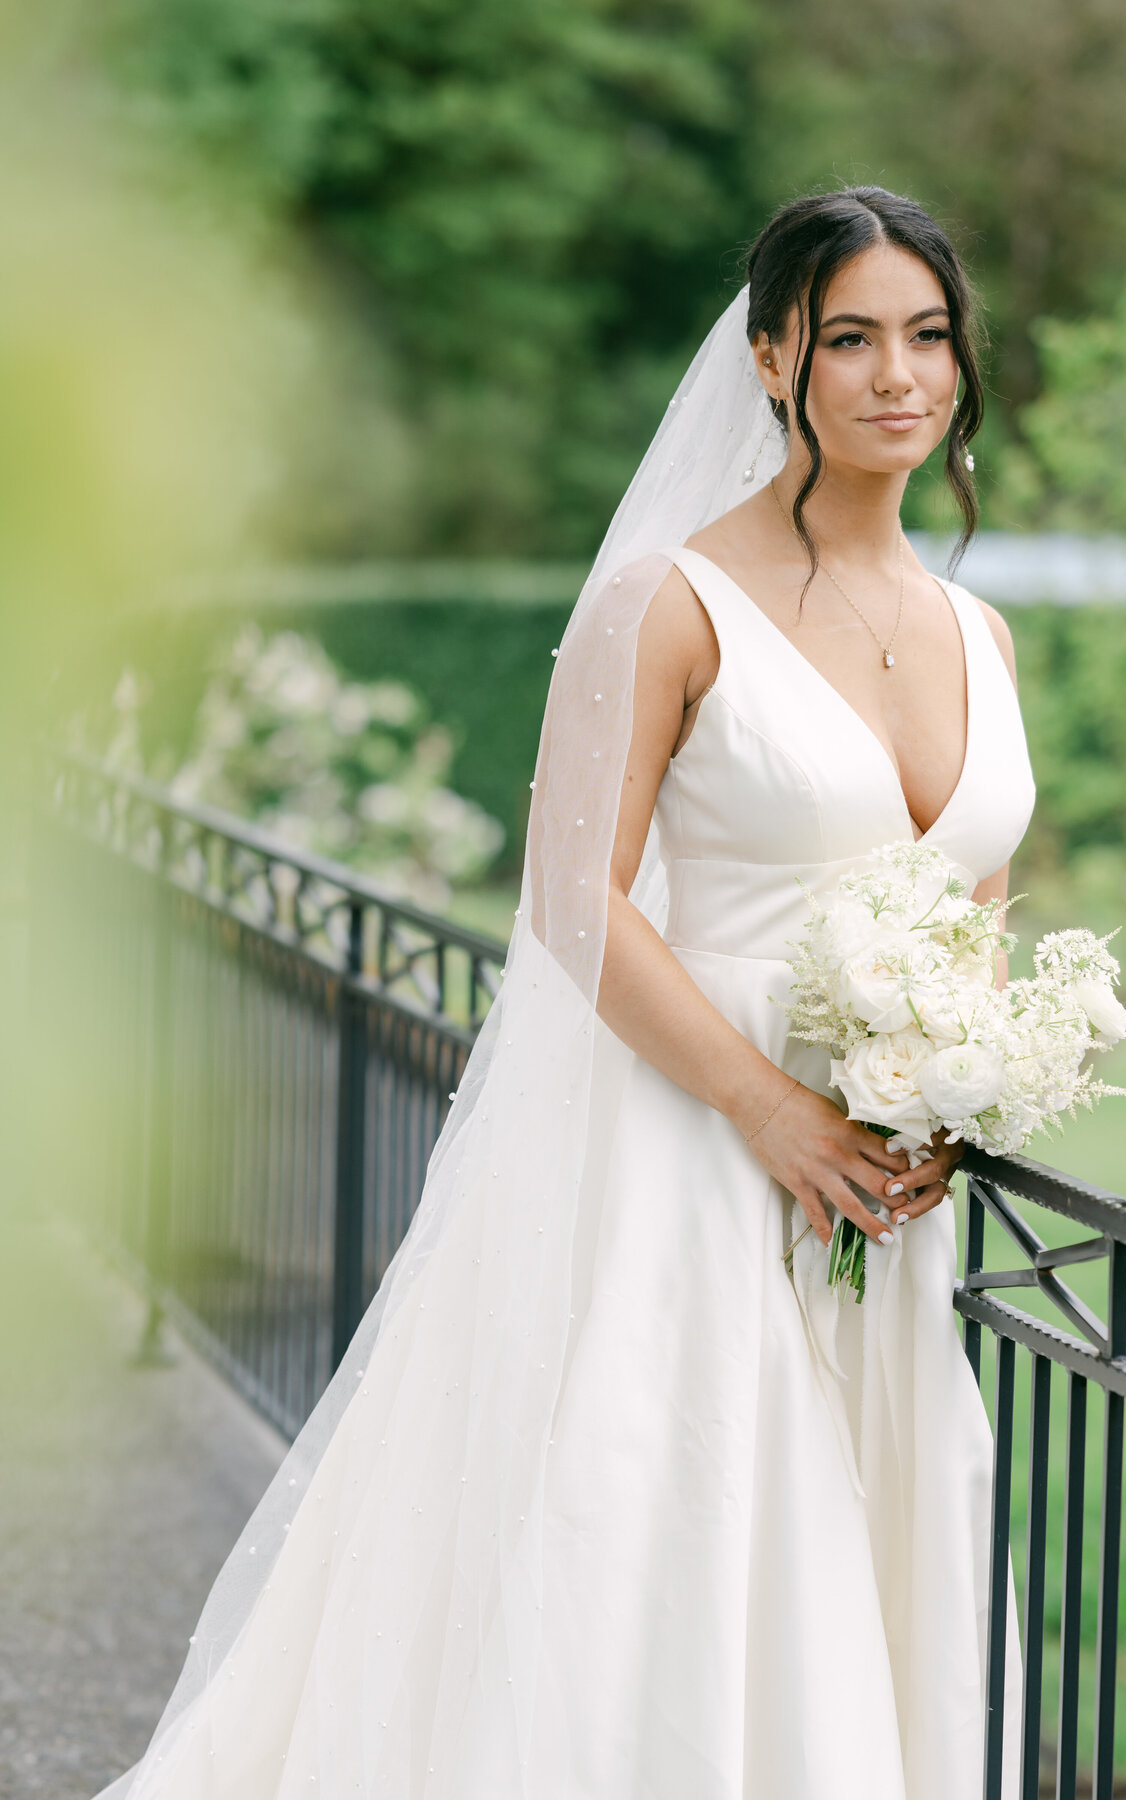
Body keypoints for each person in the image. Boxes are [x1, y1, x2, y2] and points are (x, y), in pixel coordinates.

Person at [96, 187, 1033, 1799]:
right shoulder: (666, 601)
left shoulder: (982, 630)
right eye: (852, 337)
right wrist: (773, 1114)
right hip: (694, 1151)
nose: (900, 375)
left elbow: (979, 904)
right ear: (770, 360)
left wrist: (963, 1078)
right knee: (677, 1538)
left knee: (875, 1544)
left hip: (884, 1192)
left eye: (929, 336)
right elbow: (571, 901)